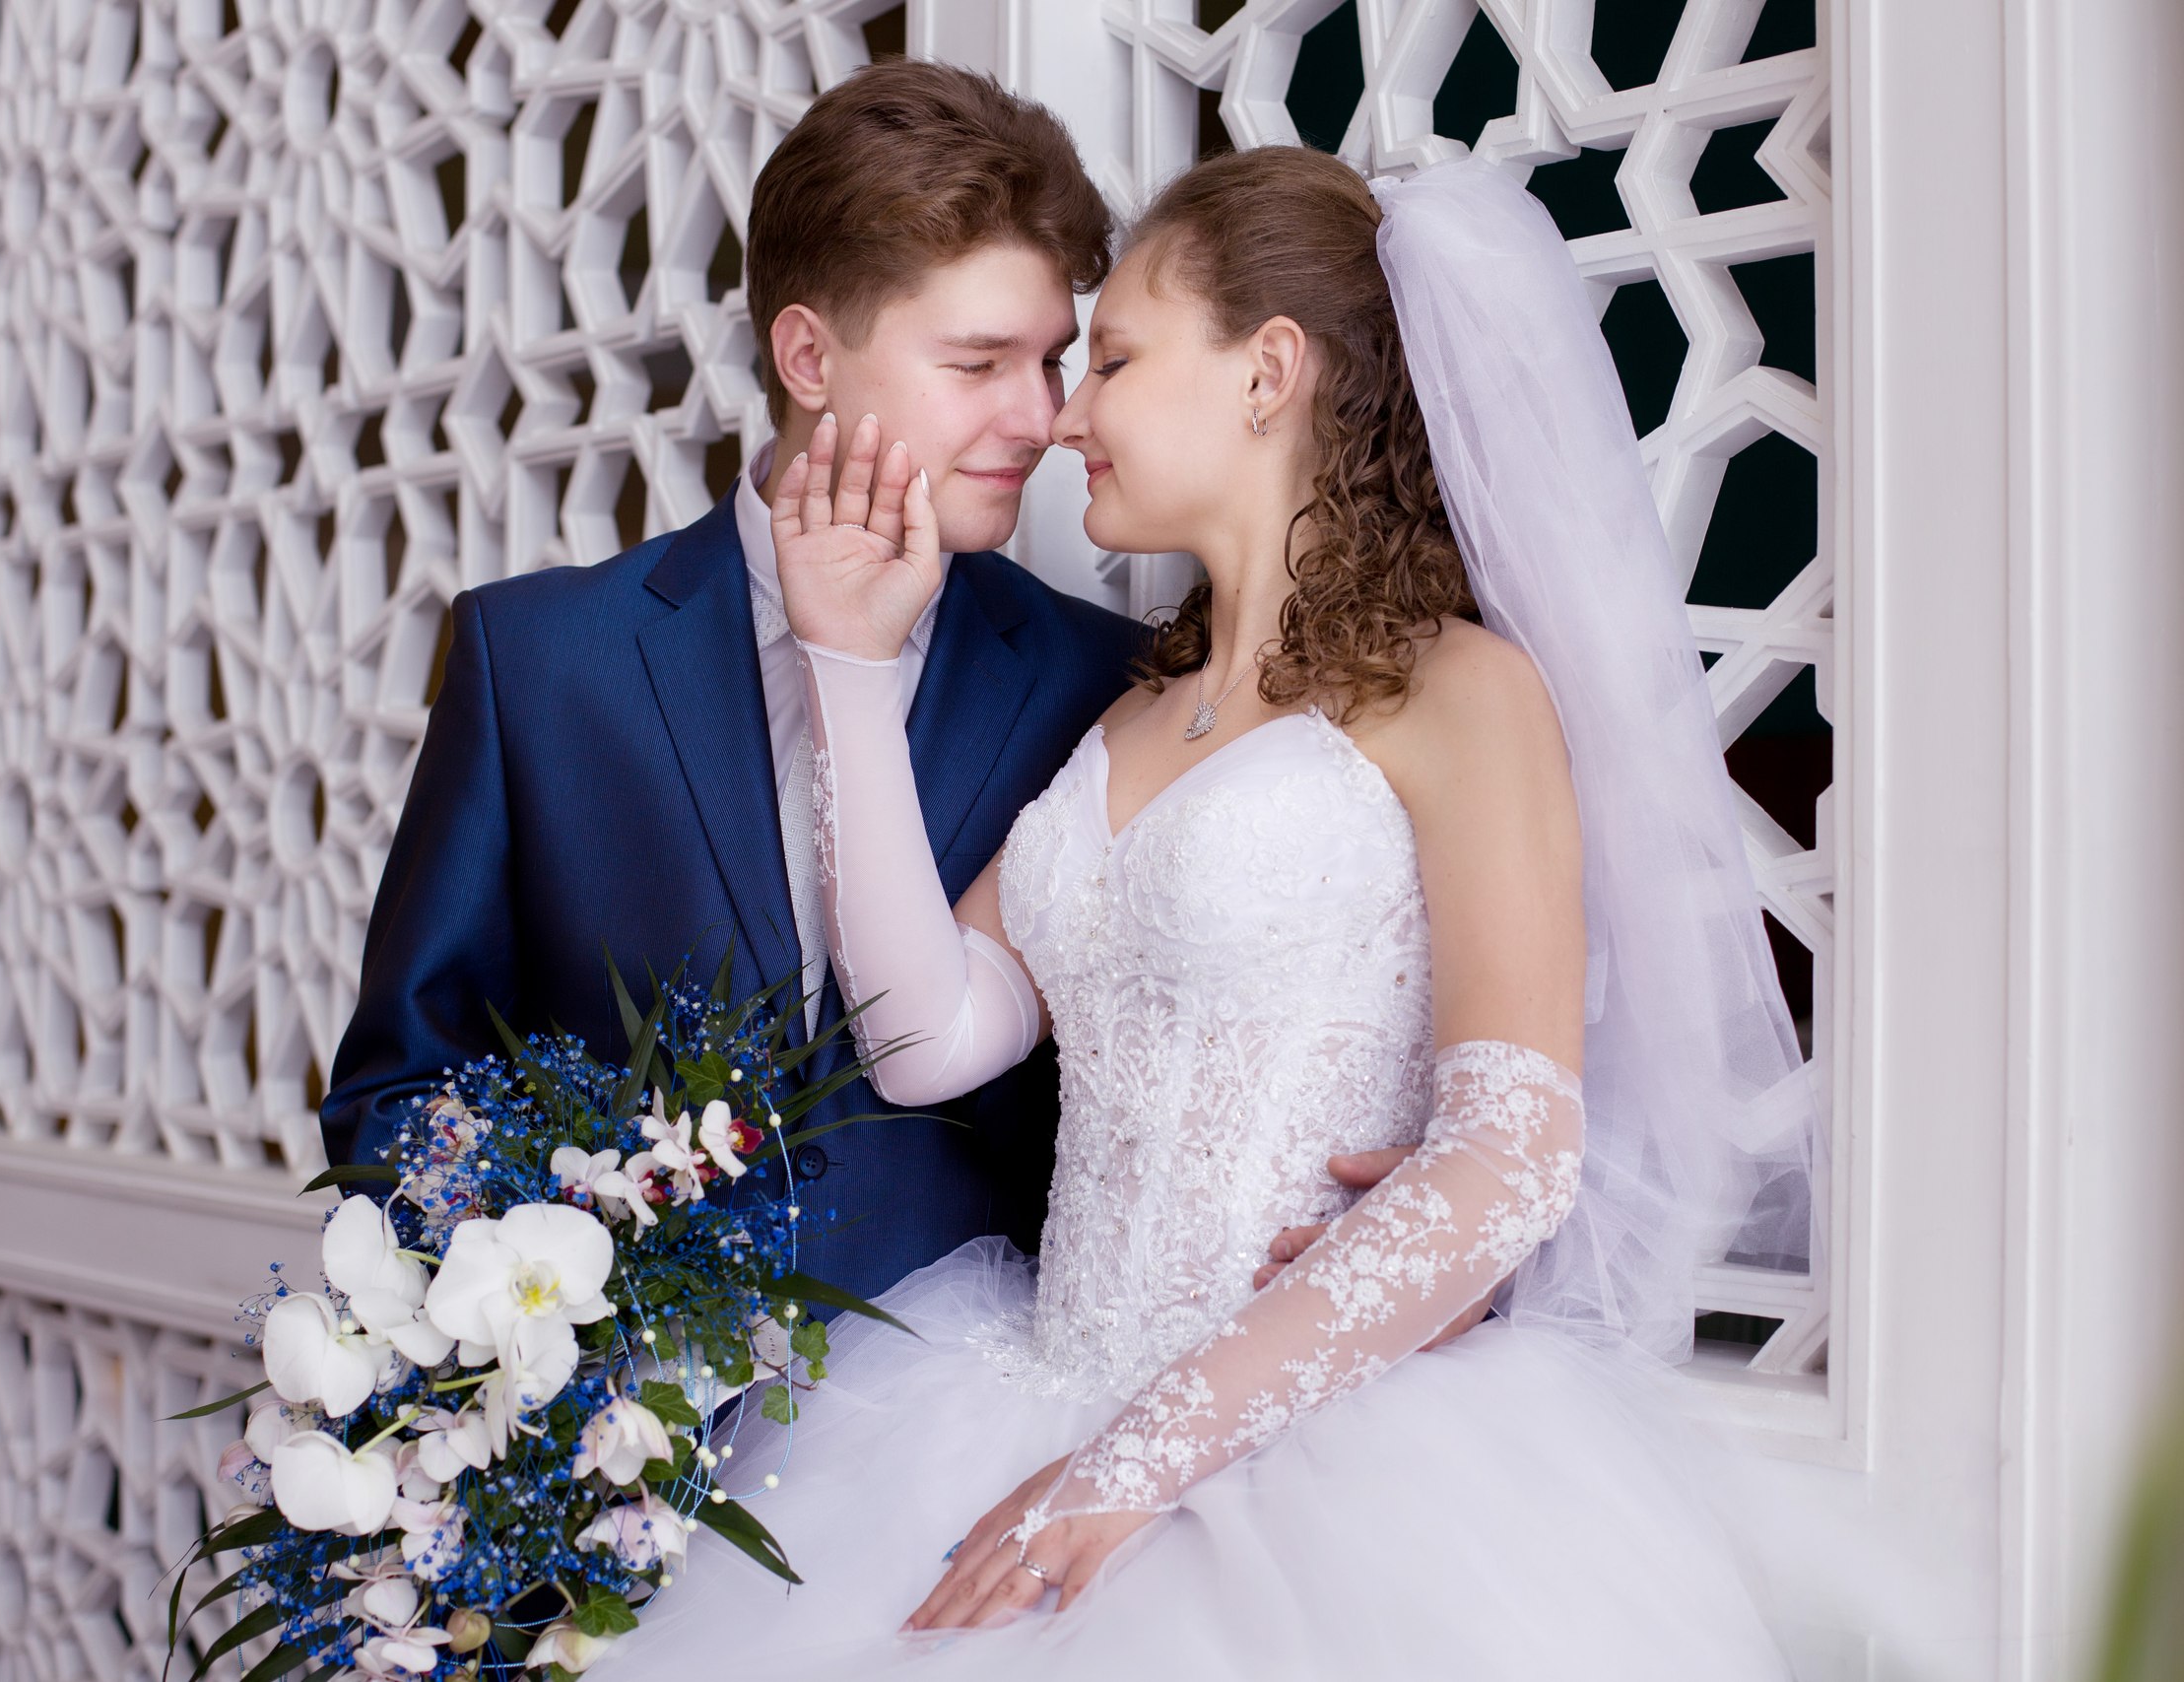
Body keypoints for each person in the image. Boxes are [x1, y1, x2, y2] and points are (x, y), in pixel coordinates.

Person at [591, 147, 1826, 1678]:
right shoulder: (1127, 717)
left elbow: (1511, 1152)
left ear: (1269, 371)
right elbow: (924, 1040)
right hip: (1027, 1392)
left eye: (1110, 358)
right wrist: (845, 661)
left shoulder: (1463, 691)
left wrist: (1133, 1460)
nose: (1065, 417)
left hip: (1316, 1471)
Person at [316, 62, 1435, 1307]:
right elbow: (402, 1088)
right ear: (808, 355)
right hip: (616, 1415)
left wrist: (1409, 1228)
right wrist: (518, 1329)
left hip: (982, 1403)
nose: (1041, 419)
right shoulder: (536, 662)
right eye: (977, 363)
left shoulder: (1109, 683)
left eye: (1055, 361)